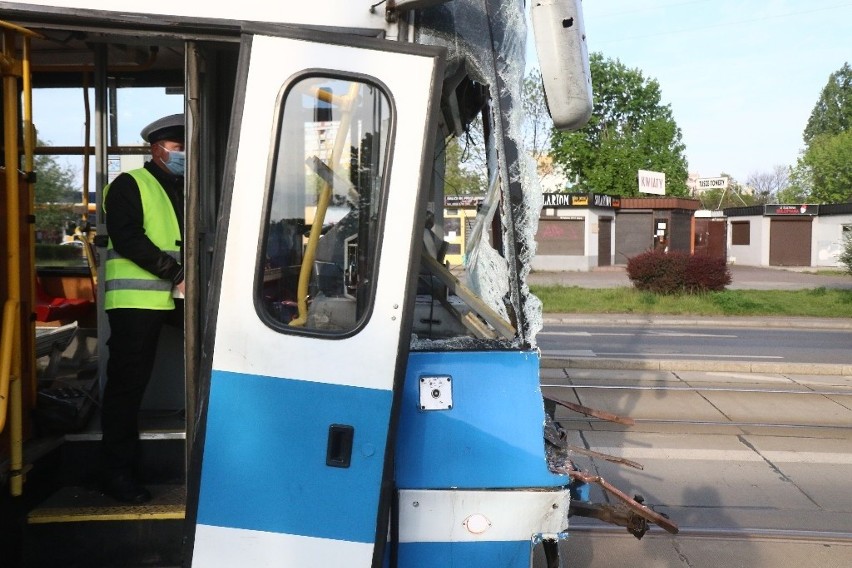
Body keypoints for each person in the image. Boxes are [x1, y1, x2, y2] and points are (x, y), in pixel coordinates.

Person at [99, 113, 185, 503]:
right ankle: (118, 475)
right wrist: (176, 273)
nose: (183, 154)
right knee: (126, 389)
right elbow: (128, 237)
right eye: (177, 147)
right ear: (157, 148)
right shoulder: (129, 184)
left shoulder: (186, 186)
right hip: (137, 300)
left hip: (179, 295)